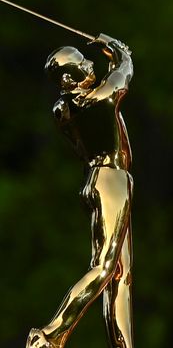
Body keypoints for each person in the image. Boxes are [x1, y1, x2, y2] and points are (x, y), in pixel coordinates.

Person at [27, 35, 134, 348]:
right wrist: (114, 48)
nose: (89, 65)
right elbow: (124, 71)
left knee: (120, 275)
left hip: (101, 179)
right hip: (111, 181)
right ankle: (51, 333)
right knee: (103, 267)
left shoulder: (65, 110)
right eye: (81, 64)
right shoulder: (95, 100)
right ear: (66, 78)